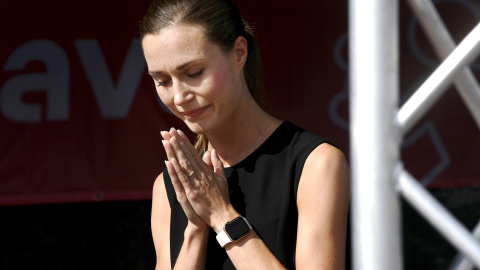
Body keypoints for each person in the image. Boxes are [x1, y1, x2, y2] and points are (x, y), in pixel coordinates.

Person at [140, 0, 350, 269]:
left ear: (239, 53)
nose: (179, 97)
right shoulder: (169, 186)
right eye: (162, 81)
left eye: (194, 73)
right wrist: (195, 228)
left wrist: (221, 215)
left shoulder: (315, 165)